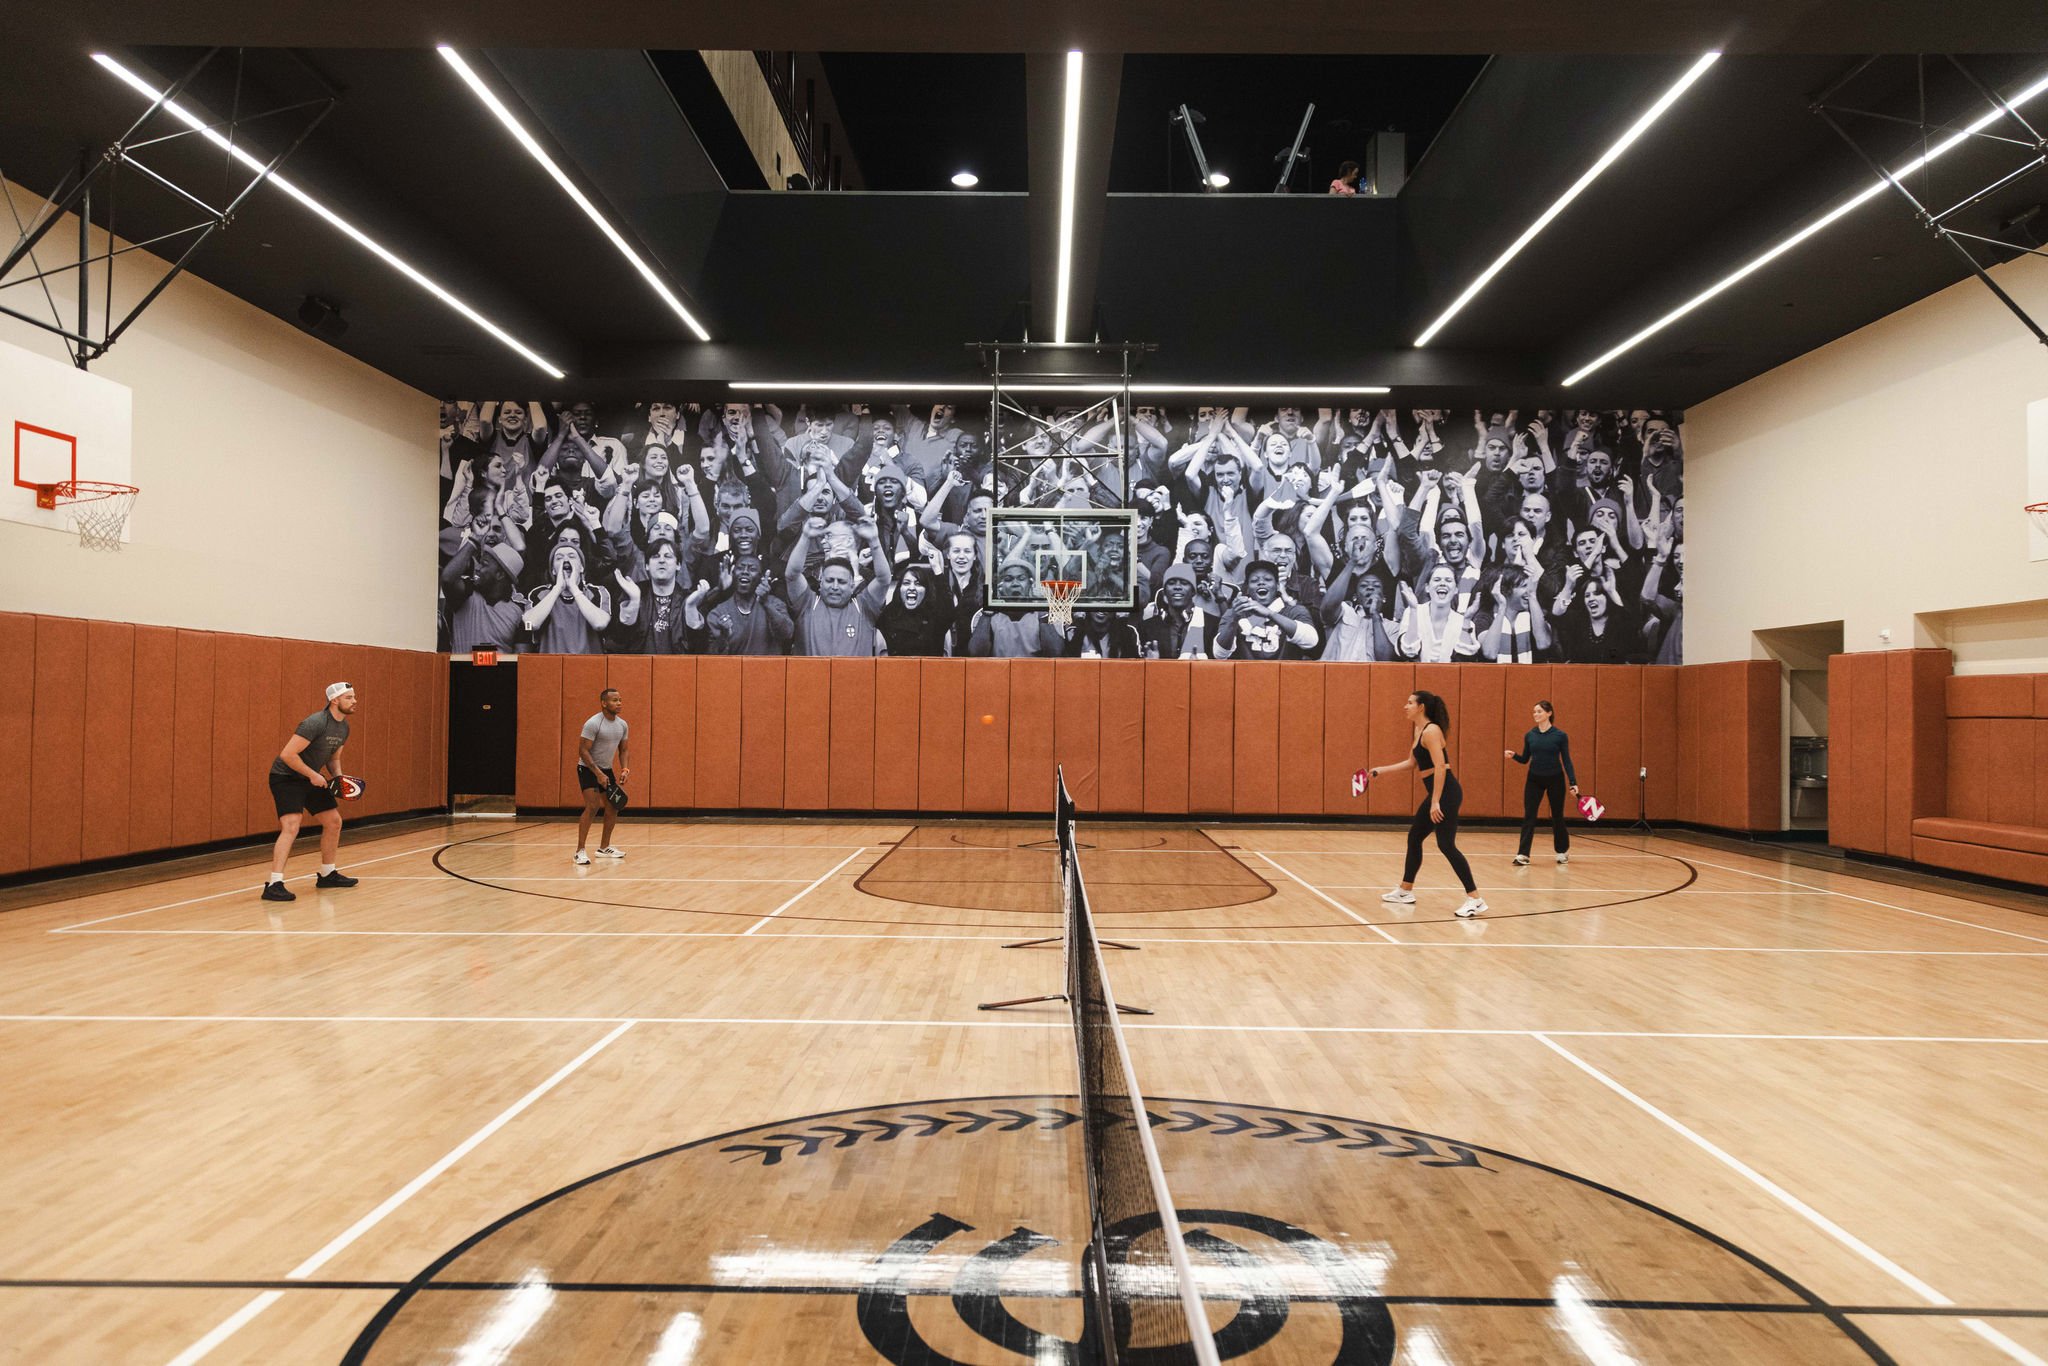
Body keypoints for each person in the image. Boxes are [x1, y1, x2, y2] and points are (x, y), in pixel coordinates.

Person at [1363, 690, 1486, 918]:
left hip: (1446, 793)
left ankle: (1475, 899)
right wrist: (1381, 770)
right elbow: (1412, 763)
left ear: (1421, 707)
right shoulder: (1419, 730)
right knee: (1415, 837)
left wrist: (1436, 801)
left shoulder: (1432, 731)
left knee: (1446, 845)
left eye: (1409, 703)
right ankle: (1405, 891)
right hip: (1438, 793)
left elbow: (1440, 767)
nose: (1405, 706)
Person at [261, 682, 360, 902]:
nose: (354, 701)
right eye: (349, 697)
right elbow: (288, 755)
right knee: (291, 825)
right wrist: (313, 775)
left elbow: (333, 758)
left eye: (354, 697)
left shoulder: (343, 728)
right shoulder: (314, 723)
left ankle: (327, 874)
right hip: (286, 778)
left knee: (334, 821)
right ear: (335, 700)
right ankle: (274, 884)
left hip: (311, 777)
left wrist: (339, 779)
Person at [1506, 700, 1579, 865]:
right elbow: (1525, 759)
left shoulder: (1560, 736)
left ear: (1549, 713)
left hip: (1555, 779)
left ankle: (1562, 851)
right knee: (1529, 816)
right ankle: (1523, 854)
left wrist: (1573, 782)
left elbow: (1566, 760)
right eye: (1534, 712)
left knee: (1557, 816)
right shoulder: (1530, 735)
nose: (1536, 714)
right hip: (1534, 779)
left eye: (1539, 711)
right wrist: (1514, 755)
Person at [574, 687, 630, 865]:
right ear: (604, 703)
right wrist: (597, 773)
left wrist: (625, 769)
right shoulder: (593, 723)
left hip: (606, 769)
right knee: (593, 806)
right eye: (614, 700)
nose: (619, 703)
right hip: (588, 769)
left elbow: (624, 749)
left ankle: (604, 848)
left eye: (620, 700)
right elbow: (583, 751)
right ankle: (579, 851)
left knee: (613, 807)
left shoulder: (622, 725)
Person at [876, 564, 953, 656]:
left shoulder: (935, 616)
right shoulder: (890, 614)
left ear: (926, 590)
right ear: (899, 589)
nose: (911, 588)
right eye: (906, 583)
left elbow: (949, 610)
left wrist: (936, 568)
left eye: (918, 584)